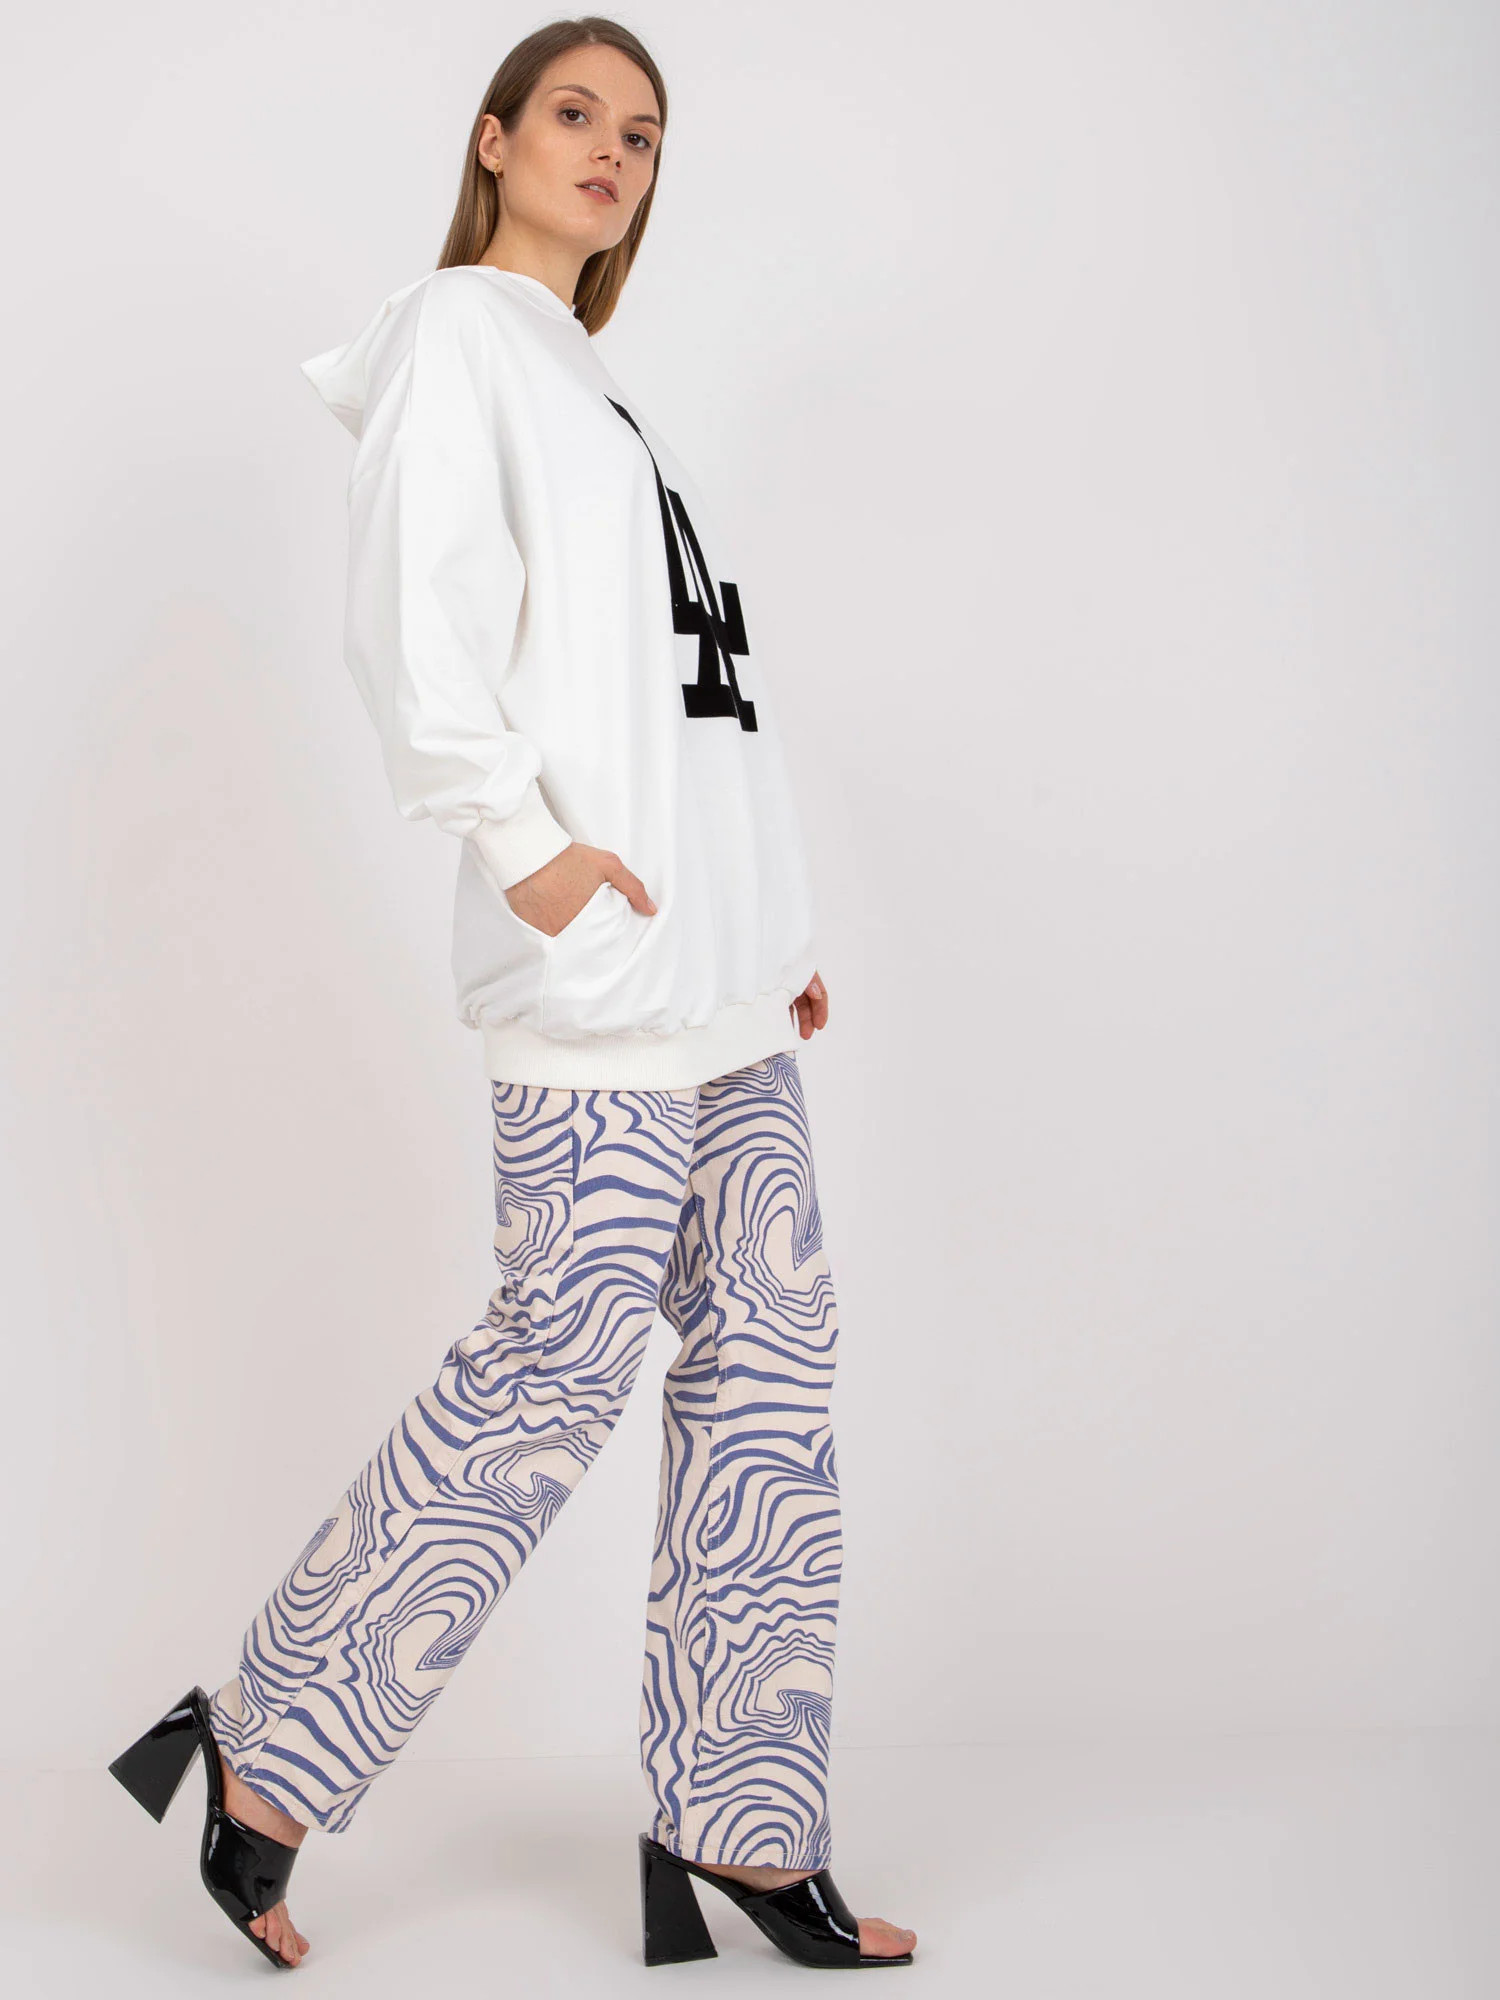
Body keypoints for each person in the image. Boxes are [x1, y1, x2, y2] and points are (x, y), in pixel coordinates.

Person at [109, 15, 916, 1974]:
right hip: (599, 981)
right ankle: (263, 1744)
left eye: (644, 131)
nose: (613, 150)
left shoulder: (592, 381)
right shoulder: (461, 336)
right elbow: (415, 622)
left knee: (771, 1379)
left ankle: (742, 1819)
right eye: (575, 113)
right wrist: (522, 845)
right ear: (492, 140)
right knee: (553, 1368)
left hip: (720, 993)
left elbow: (687, 703)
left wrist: (766, 936)